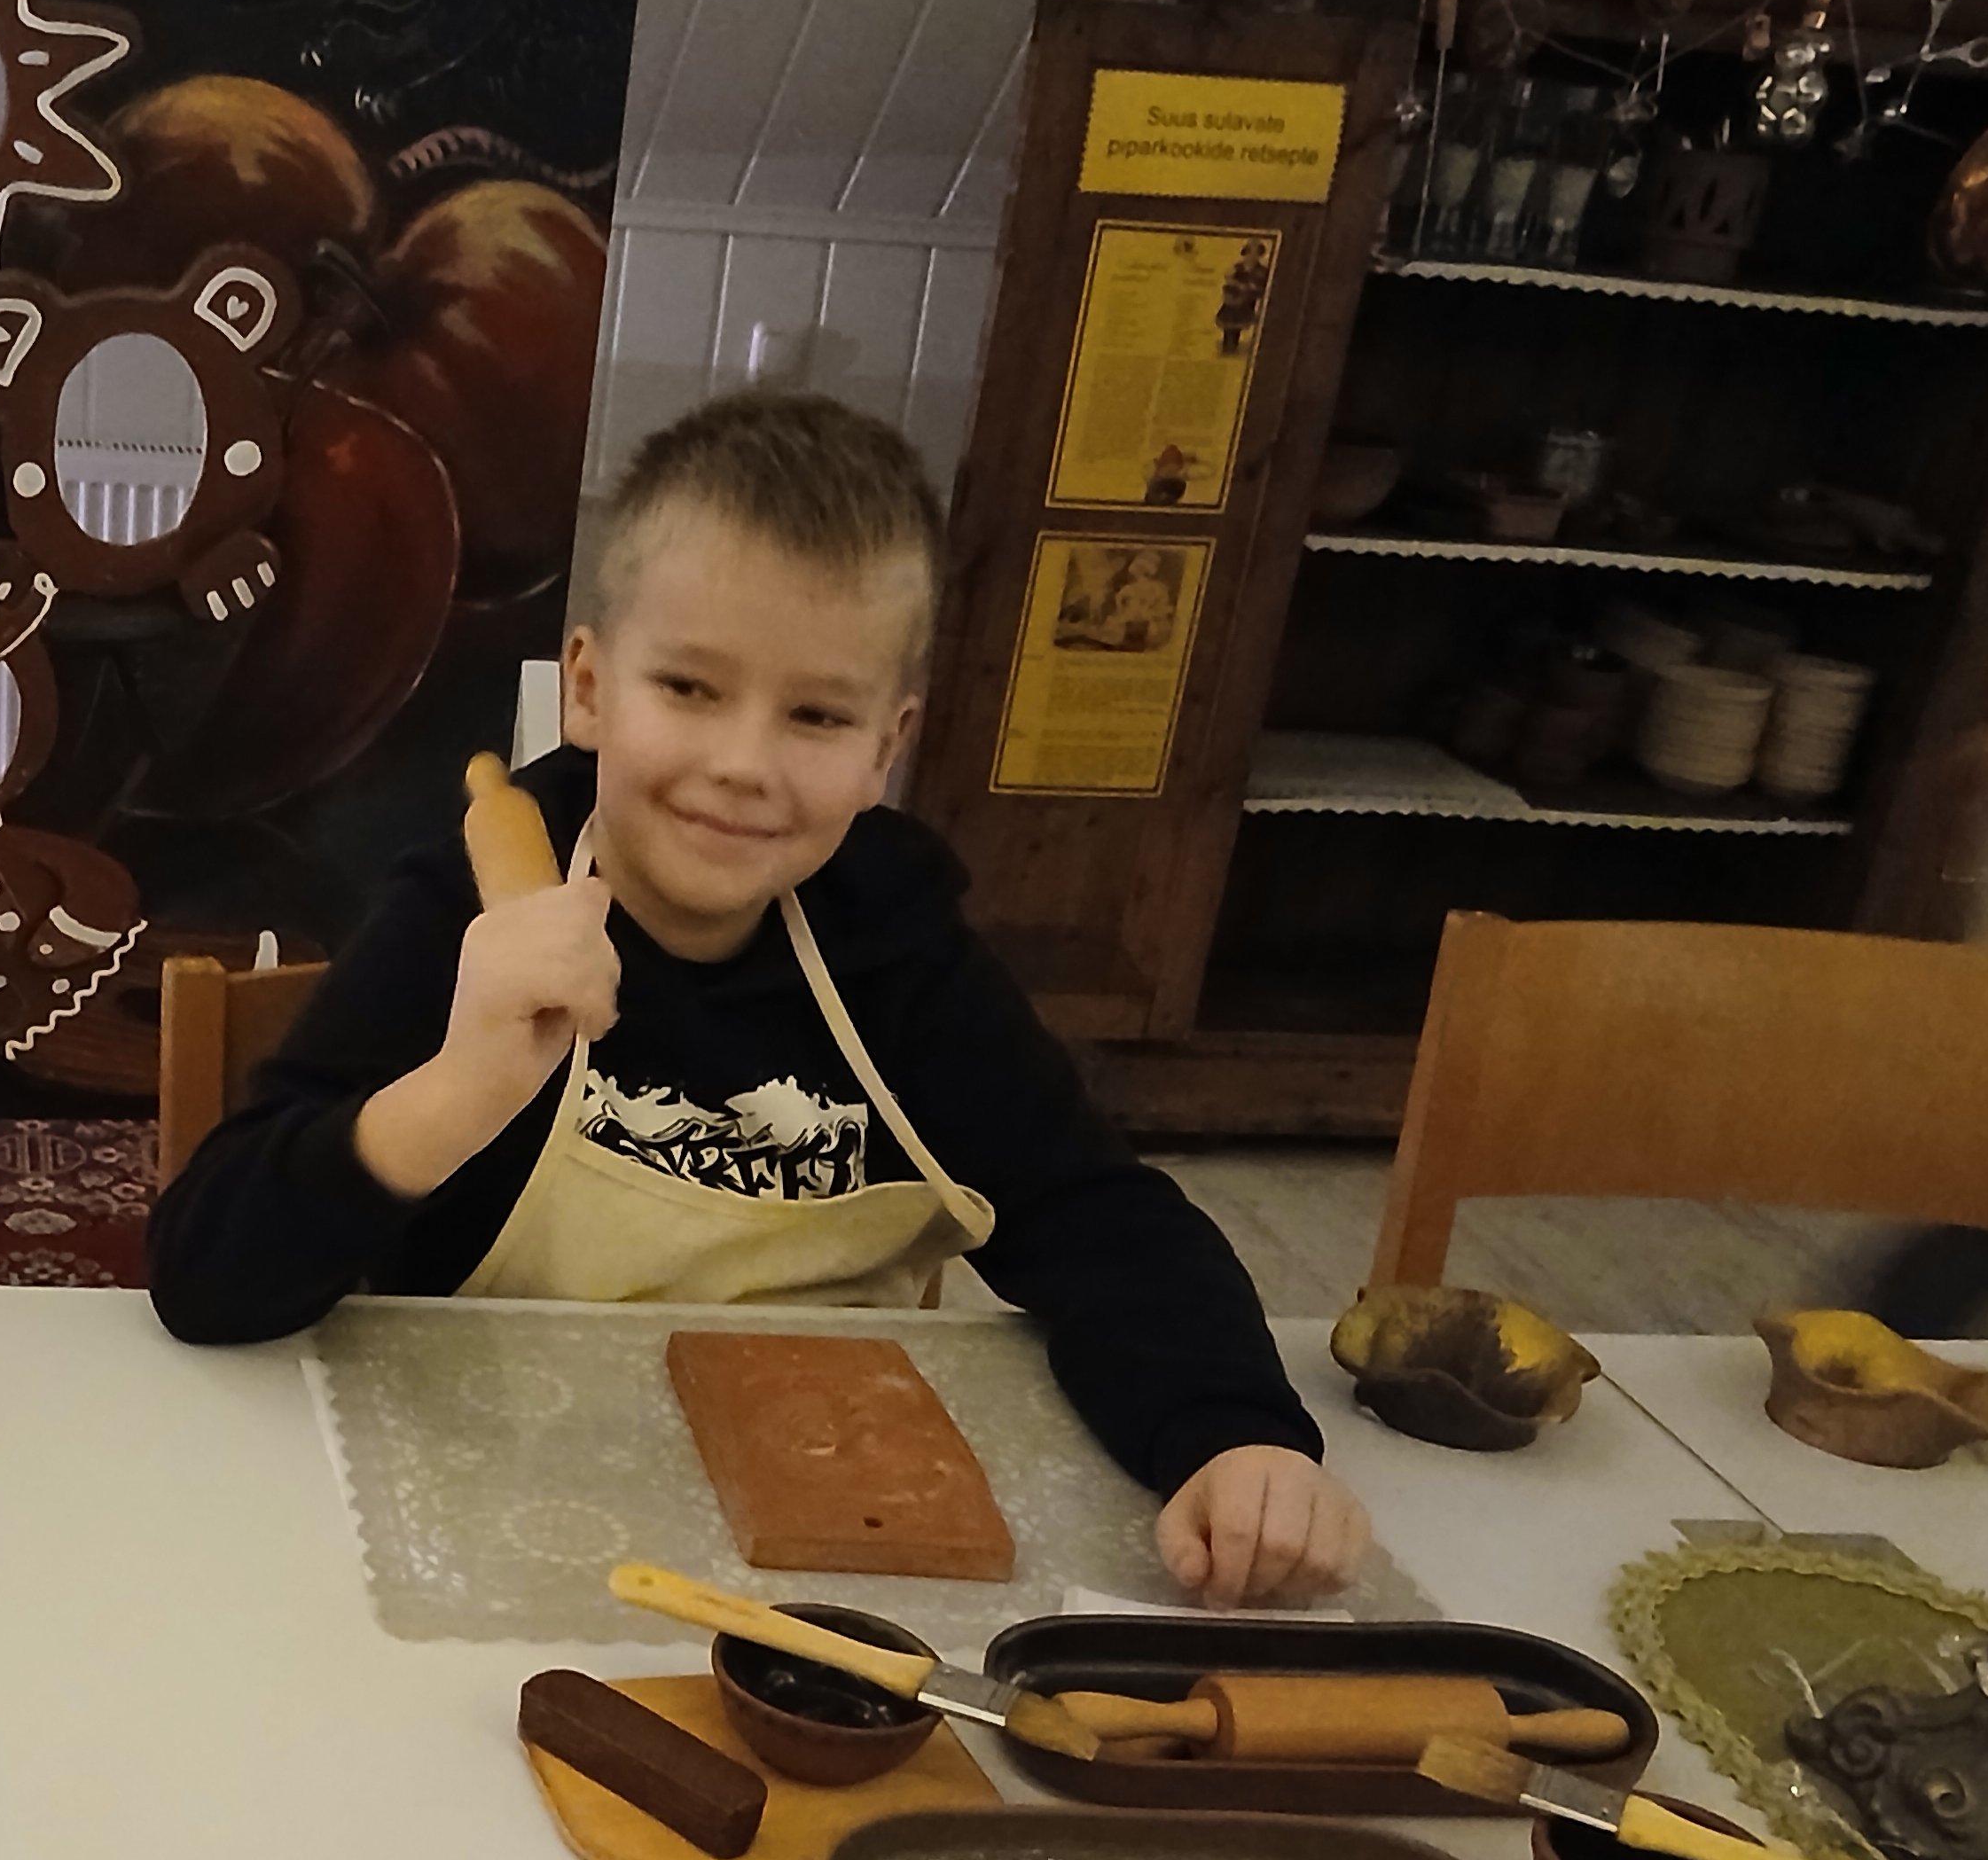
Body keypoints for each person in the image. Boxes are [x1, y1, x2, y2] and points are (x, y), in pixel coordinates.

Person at [145, 391, 1366, 1604]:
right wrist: (455, 1093)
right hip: (488, 1514)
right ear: (589, 687)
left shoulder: (907, 961)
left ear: (886, 745)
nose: (743, 764)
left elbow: (1103, 1229)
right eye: (688, 688)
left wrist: (1234, 1434)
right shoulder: (464, 920)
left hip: (832, 1553)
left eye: (817, 715)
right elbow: (206, 1275)